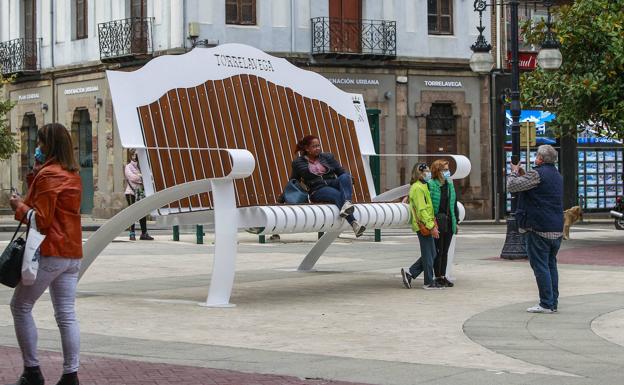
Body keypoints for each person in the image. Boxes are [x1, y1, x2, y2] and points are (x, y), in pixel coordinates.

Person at [8, 123, 83, 385]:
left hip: (51, 251)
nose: (37, 147)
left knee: (20, 306)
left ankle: (32, 371)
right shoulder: (72, 174)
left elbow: (41, 219)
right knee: (66, 313)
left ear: (48, 145)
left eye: (40, 143)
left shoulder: (49, 175)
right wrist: (34, 179)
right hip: (72, 253)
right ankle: (70, 374)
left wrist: (18, 206)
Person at [507, 145, 563, 314]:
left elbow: (512, 186)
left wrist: (514, 171)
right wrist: (524, 174)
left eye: (536, 156)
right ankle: (553, 302)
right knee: (551, 265)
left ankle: (545, 303)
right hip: (555, 227)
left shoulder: (537, 173)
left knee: (540, 266)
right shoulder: (556, 175)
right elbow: (537, 189)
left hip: (537, 227)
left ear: (540, 158)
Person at [290, 135, 365, 237]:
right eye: (314, 146)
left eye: (318, 145)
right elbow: (294, 181)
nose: (318, 148)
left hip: (332, 183)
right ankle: (354, 223)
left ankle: (347, 203)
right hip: (317, 190)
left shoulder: (327, 157)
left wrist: (348, 179)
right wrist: (284, 197)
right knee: (337, 195)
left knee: (345, 176)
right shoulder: (298, 163)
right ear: (307, 149)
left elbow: (341, 172)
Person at [400, 163, 444, 290]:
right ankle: (428, 282)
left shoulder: (421, 186)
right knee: (429, 254)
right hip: (423, 226)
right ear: (419, 173)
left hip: (426, 224)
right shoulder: (418, 188)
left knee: (431, 253)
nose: (429, 173)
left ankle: (410, 273)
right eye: (426, 171)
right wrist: (432, 227)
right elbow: (421, 210)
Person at [428, 159, 459, 288]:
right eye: (445, 170)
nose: (447, 172)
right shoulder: (431, 184)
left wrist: (456, 222)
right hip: (438, 221)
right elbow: (427, 203)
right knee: (438, 251)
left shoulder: (449, 184)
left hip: (449, 221)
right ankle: (438, 276)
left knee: (445, 251)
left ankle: (443, 276)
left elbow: (454, 203)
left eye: (448, 169)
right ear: (437, 171)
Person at [125, 150, 153, 241]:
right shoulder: (128, 167)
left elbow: (150, 176)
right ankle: (132, 233)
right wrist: (141, 177)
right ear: (131, 156)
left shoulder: (142, 167)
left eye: (136, 154)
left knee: (142, 213)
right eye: (133, 154)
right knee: (132, 213)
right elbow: (131, 177)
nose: (135, 156)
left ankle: (144, 233)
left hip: (141, 193)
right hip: (131, 193)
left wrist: (140, 176)